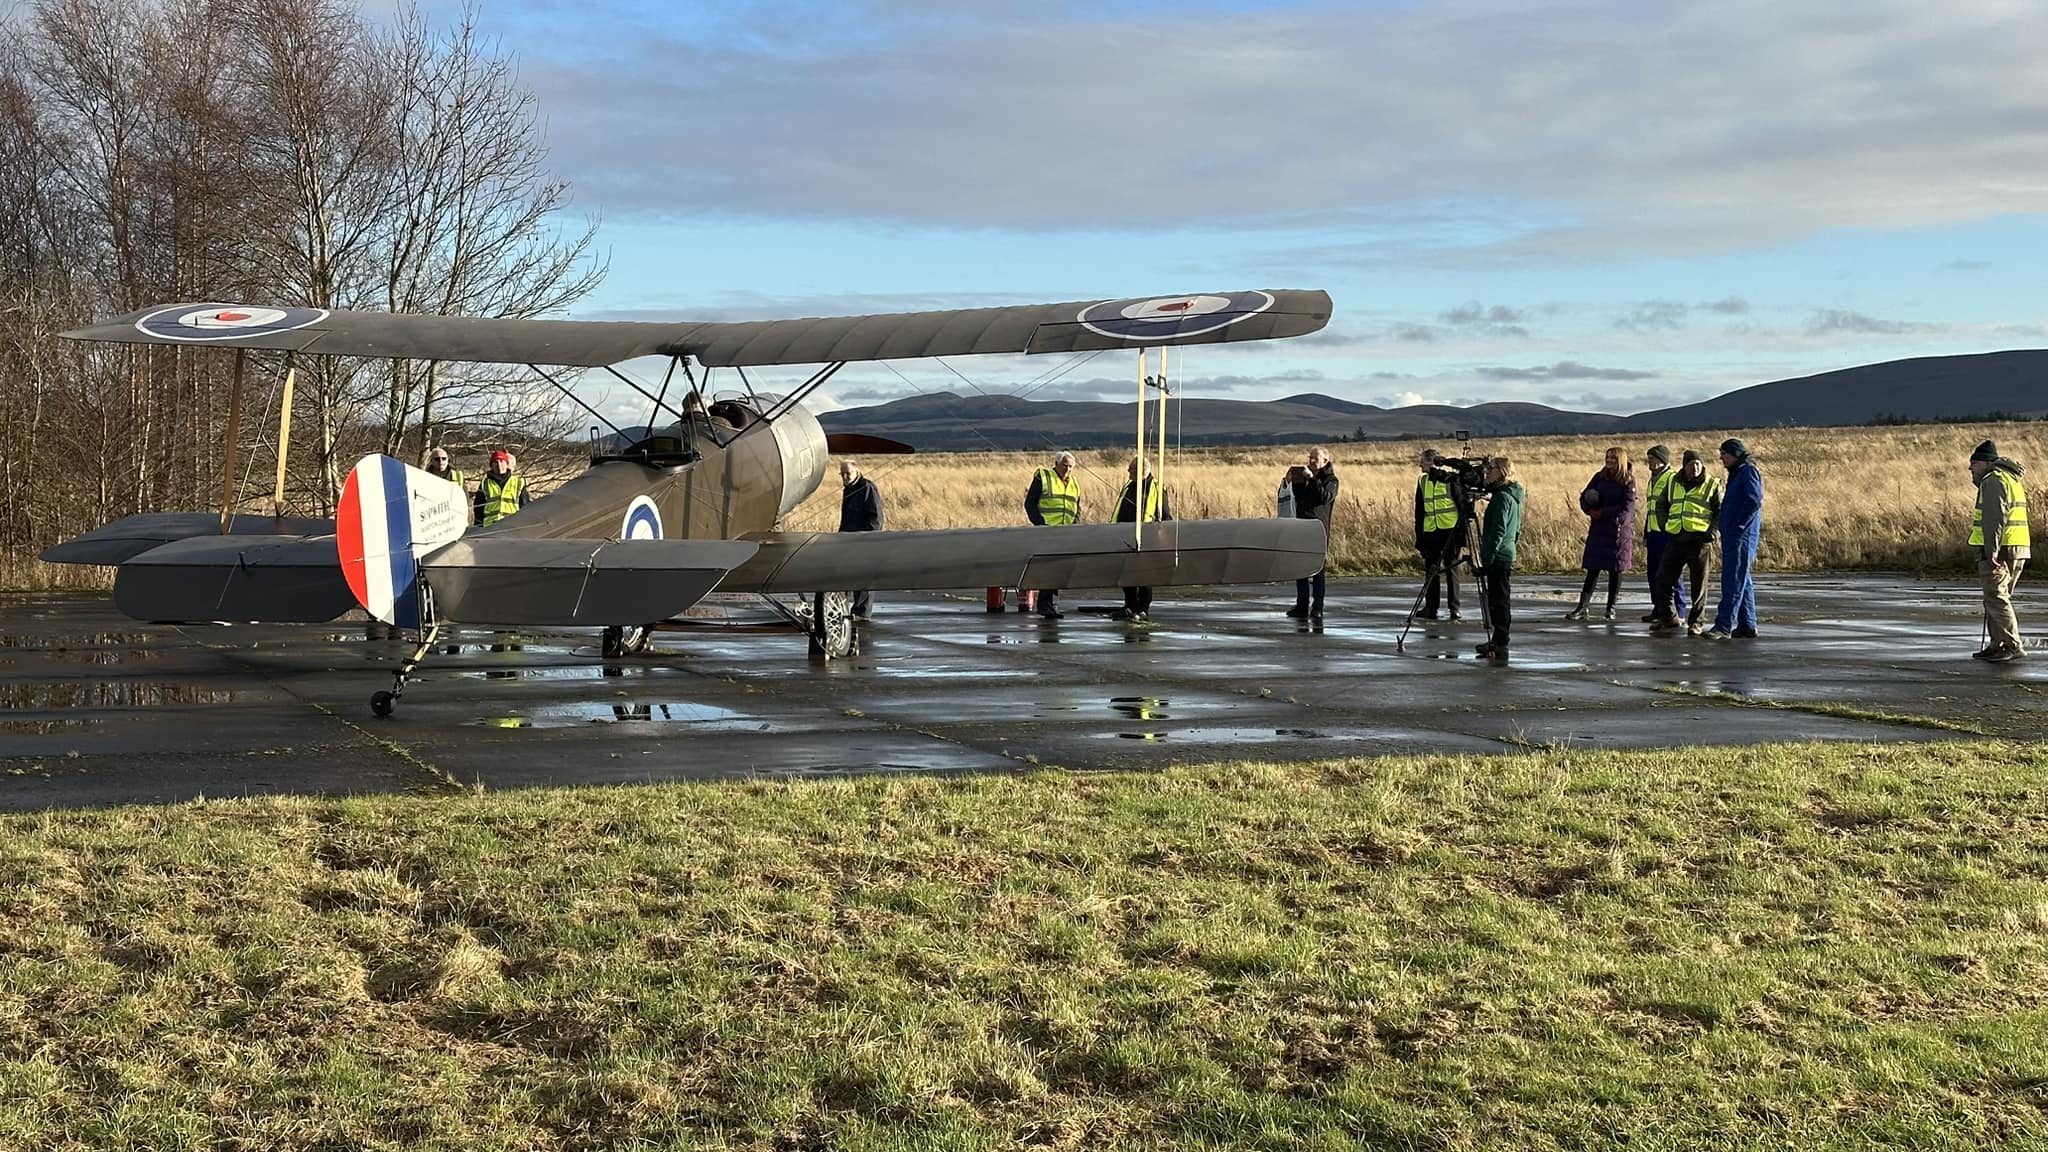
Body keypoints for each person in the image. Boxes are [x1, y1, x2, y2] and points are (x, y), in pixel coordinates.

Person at [1968, 439, 2030, 662]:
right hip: (2017, 547)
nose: (1970, 469)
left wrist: (1991, 550)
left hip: (2000, 550)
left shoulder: (1993, 481)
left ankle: (2012, 644)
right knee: (1997, 598)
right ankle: (1998, 644)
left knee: (1996, 597)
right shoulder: (2010, 479)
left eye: (1973, 464)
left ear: (1985, 463)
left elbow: (1994, 518)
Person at [1650, 449, 1722, 635]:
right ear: (1685, 466)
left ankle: (1696, 622)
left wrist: (1712, 532)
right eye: (1691, 464)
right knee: (1662, 580)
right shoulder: (1674, 482)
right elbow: (1661, 504)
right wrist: (1665, 524)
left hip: (1700, 540)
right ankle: (1669, 617)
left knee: (1699, 585)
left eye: (1698, 464)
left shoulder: (1712, 484)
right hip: (1675, 538)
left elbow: (1720, 511)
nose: (1695, 468)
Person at [1566, 446, 1638, 620]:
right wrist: (1589, 510)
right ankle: (1583, 607)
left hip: (1617, 531)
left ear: (1620, 459)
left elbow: (1627, 507)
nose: (1609, 460)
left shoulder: (1628, 481)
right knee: (1593, 569)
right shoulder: (1600, 477)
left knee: (1616, 570)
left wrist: (1605, 513)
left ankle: (1610, 608)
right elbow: (1584, 496)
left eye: (1613, 458)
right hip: (1599, 529)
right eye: (1608, 457)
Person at [1706, 437, 1765, 639]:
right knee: (1743, 579)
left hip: (1741, 536)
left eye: (1724, 454)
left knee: (1733, 580)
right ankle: (1747, 624)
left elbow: (1754, 500)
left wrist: (1739, 524)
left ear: (1734, 454)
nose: (1721, 458)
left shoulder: (1747, 472)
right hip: (1733, 535)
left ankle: (1723, 625)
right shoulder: (1737, 473)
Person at [1473, 456, 1524, 660]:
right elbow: (1517, 528)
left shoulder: (1503, 497)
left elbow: (1498, 530)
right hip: (1506, 551)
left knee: (1498, 599)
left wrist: (1488, 557)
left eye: (1491, 469)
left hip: (1499, 554)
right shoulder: (1511, 494)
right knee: (1498, 597)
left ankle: (1500, 639)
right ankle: (1499, 637)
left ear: (1502, 472)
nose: (1487, 472)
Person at [1024, 451, 1081, 618]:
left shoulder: (1074, 483)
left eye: (1071, 467)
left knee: (1058, 570)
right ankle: (1045, 604)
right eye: (1065, 466)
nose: (1068, 469)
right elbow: (1030, 503)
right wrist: (1040, 524)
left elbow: (1077, 507)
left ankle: (1050, 604)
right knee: (1048, 569)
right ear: (1056, 464)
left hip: (1066, 532)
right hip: (1048, 531)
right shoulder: (1043, 477)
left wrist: (1075, 526)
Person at [1114, 457, 1171, 622]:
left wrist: (1163, 537)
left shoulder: (1156, 488)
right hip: (1125, 535)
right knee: (1127, 573)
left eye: (1131, 469)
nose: (1128, 472)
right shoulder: (1129, 486)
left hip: (1147, 537)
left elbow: (1165, 514)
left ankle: (1143, 608)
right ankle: (1129, 605)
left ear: (1141, 471)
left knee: (1144, 575)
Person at [1287, 446, 1340, 621]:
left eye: (1315, 459)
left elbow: (1324, 497)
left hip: (1319, 529)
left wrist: (1313, 480)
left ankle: (1318, 607)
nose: (1311, 462)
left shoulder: (1331, 480)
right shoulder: (1304, 477)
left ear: (1325, 461)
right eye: (1309, 458)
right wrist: (1291, 481)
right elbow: (1296, 497)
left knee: (1318, 570)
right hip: (1301, 526)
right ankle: (1302, 605)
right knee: (1299, 568)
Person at [1639, 444, 1686, 622]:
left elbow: (1676, 506)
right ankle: (1660, 608)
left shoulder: (1671, 479)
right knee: (1653, 574)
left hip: (1667, 534)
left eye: (1652, 459)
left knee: (1672, 574)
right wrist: (1646, 531)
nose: (1649, 462)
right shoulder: (1653, 480)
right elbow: (1652, 509)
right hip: (1653, 533)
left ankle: (1679, 611)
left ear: (1661, 460)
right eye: (1649, 459)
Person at [1413, 448, 1461, 620]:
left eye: (1423, 461)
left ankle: (1454, 608)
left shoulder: (1450, 480)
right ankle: (1431, 607)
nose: (1420, 465)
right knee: (1431, 570)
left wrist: (1461, 535)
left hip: (1450, 531)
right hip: (1431, 531)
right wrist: (1420, 537)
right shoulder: (1422, 481)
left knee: (1451, 569)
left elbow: (1462, 507)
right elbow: (1419, 512)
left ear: (1431, 462)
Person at [838, 459, 884, 620]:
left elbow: (876, 516)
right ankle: (841, 608)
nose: (844, 477)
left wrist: (869, 538)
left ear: (856, 472)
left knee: (863, 577)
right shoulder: (848, 489)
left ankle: (862, 612)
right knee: (845, 575)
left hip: (864, 539)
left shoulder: (867, 487)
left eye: (847, 473)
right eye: (842, 474)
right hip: (847, 538)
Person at [473, 449, 530, 526]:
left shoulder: (518, 482)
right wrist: (478, 529)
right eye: (495, 462)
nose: (499, 465)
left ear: (507, 464)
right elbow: (478, 510)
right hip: (490, 528)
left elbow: (525, 507)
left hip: (512, 527)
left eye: (501, 461)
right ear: (491, 466)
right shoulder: (485, 483)